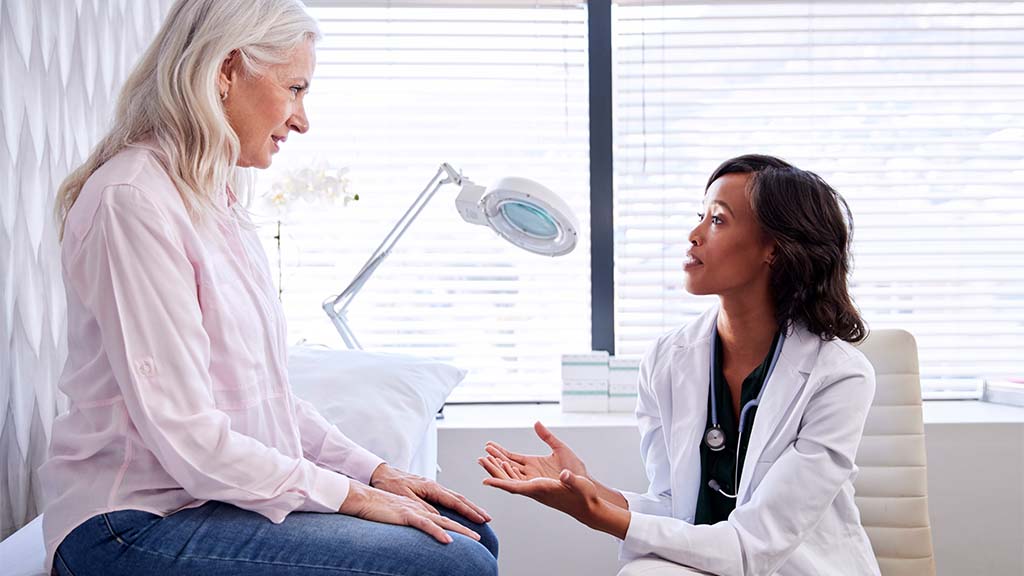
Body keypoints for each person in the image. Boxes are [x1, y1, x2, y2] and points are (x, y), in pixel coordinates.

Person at [40, 1, 497, 574]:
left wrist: (377, 473)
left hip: (207, 503)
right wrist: (353, 497)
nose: (302, 120)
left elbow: (266, 399)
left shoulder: (216, 201)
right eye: (295, 89)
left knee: (472, 535)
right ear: (227, 71)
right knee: (455, 563)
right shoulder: (134, 201)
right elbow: (188, 435)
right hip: (127, 525)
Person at [480, 155, 881, 575]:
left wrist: (599, 514)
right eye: (700, 217)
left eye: (718, 221)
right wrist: (585, 489)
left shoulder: (838, 377)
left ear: (774, 249)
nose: (693, 235)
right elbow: (676, 507)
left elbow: (754, 545)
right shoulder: (666, 360)